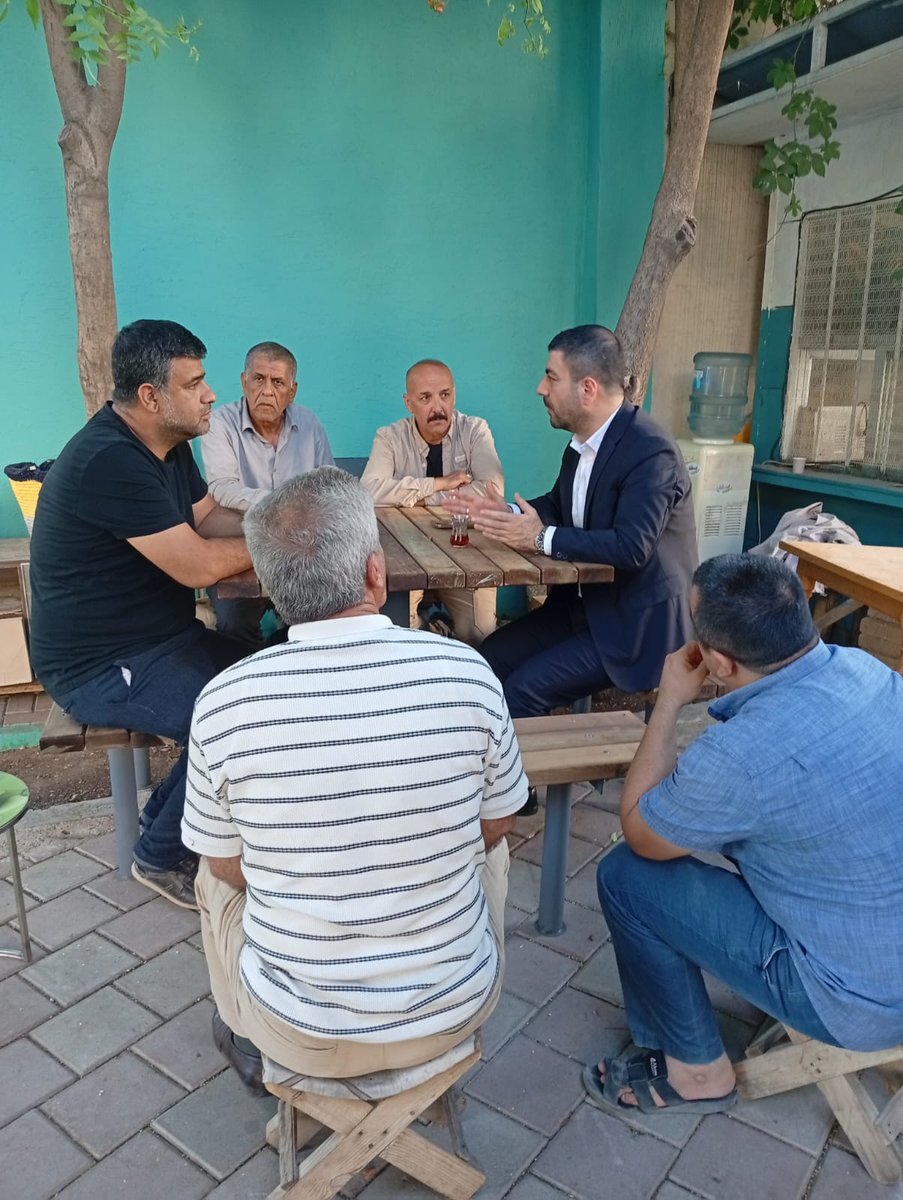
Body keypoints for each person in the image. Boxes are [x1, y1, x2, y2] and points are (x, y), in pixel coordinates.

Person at [181, 466, 527, 1091]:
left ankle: (245, 1023)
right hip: (455, 1009)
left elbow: (229, 866)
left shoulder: (224, 701)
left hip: (300, 1031)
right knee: (489, 849)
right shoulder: (468, 671)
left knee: (211, 869)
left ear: (271, 589)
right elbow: (498, 822)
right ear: (376, 572)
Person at [583, 554, 903, 1121]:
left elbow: (640, 830)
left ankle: (697, 1070)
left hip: (862, 1003)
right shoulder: (869, 670)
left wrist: (669, 701)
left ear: (719, 663)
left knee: (627, 876)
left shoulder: (738, 756)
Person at [29, 320, 253, 909]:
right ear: (152, 397)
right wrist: (289, 547)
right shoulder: (110, 459)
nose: (211, 395)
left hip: (163, 640)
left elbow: (209, 519)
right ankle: (159, 853)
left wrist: (277, 524)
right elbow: (200, 565)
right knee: (234, 721)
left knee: (274, 677)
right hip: (101, 665)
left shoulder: (168, 447)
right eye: (196, 383)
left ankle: (170, 815)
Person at [447, 325, 698, 718]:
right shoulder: (583, 444)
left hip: (633, 627)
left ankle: (516, 781)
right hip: (584, 609)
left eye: (551, 376)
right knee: (487, 661)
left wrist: (541, 539)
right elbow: (559, 504)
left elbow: (633, 547)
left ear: (588, 389)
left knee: (521, 692)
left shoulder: (650, 451)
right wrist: (505, 513)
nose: (540, 389)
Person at [361, 358, 504, 644]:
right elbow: (369, 492)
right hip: (404, 555)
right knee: (405, 632)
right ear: (408, 402)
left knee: (480, 634)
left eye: (445, 395)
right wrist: (439, 483)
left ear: (454, 395)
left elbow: (492, 492)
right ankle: (433, 635)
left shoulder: (475, 430)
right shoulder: (389, 438)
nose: (437, 407)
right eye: (425, 398)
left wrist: (413, 496)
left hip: (468, 552)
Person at [201, 341, 334, 646]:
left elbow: (327, 486)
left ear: (292, 391)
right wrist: (286, 506)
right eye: (258, 379)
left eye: (277, 382)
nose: (267, 391)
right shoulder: (219, 423)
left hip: (298, 551)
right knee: (234, 626)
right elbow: (221, 487)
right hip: (240, 549)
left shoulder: (310, 424)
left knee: (315, 623)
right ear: (244, 382)